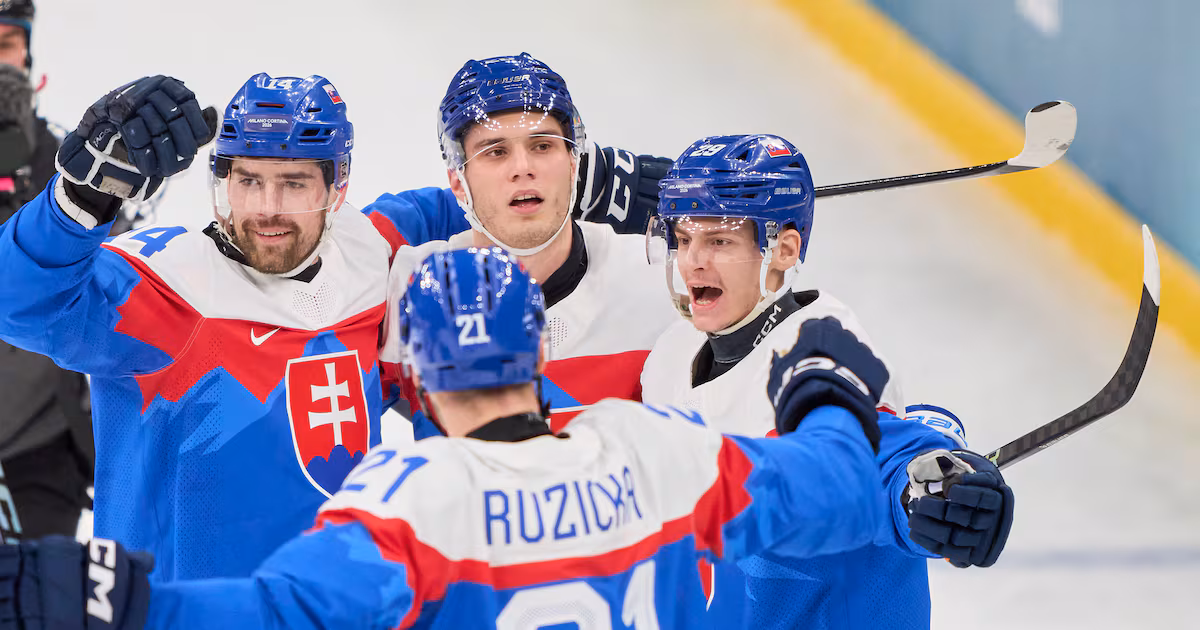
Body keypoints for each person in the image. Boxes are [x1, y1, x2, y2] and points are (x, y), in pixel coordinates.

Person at [0, 246, 901, 630]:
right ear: (540, 348)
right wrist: (828, 392)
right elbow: (834, 486)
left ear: (417, 375)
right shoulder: (656, 451)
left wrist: (111, 603)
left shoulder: (411, 499)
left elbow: (276, 616)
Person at [0, 72, 399, 580]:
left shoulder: (369, 255)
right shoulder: (168, 285)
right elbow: (17, 302)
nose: (267, 209)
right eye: (248, 180)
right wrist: (82, 198)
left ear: (336, 185)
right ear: (223, 178)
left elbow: (471, 211)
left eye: (294, 183)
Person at [640, 133, 1015, 629]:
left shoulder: (824, 359)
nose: (693, 262)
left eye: (720, 240)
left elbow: (876, 457)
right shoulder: (671, 355)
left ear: (784, 249)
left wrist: (918, 495)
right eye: (685, 239)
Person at [373, 53, 678, 436]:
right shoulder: (404, 290)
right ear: (457, 183)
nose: (522, 168)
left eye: (542, 146)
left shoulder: (659, 282)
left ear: (573, 164)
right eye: (495, 152)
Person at [0, 0, 100, 541]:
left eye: (3, 45)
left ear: (27, 56)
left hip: (42, 448)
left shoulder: (67, 162)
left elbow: (112, 266)